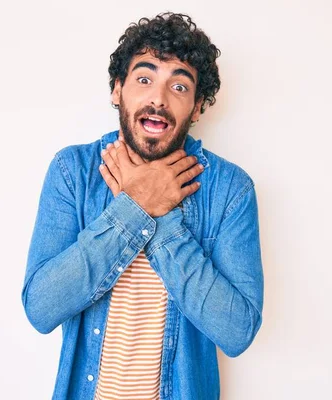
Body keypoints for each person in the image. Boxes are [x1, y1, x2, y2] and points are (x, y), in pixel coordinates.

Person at [21, 12, 264, 400]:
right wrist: (134, 207)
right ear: (117, 89)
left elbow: (236, 331)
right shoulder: (73, 171)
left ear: (197, 107)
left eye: (180, 87)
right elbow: (42, 308)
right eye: (144, 79)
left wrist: (162, 216)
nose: (158, 98)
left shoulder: (230, 190)